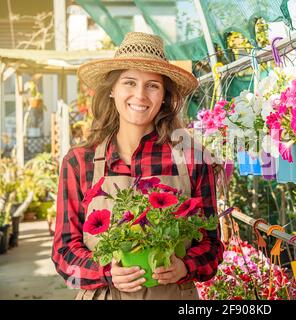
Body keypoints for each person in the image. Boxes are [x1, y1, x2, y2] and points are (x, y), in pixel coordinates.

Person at [52, 32, 224, 300]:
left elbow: (211, 246)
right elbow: (64, 252)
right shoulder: (79, 162)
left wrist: (184, 266)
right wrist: (105, 271)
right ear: (112, 89)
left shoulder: (192, 159)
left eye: (153, 85)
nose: (140, 95)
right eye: (129, 82)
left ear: (165, 95)